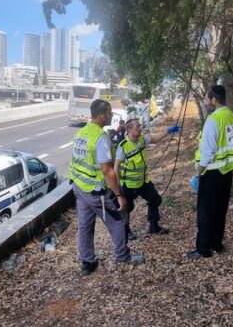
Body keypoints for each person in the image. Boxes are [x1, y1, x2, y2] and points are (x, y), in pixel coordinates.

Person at [69, 99, 145, 275]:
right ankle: (123, 256)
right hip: (97, 192)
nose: (112, 116)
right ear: (101, 114)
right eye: (110, 113)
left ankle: (87, 262)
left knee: (85, 226)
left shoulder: (82, 132)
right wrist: (119, 195)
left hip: (79, 188)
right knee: (119, 219)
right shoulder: (100, 138)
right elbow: (107, 170)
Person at [187, 85, 233, 259]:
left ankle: (203, 249)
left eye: (207, 99)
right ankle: (216, 243)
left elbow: (208, 150)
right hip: (227, 172)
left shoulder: (213, 119)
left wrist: (198, 173)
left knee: (206, 211)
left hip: (211, 172)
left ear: (214, 99)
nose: (206, 102)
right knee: (221, 209)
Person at [115, 119, 180, 240]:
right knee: (127, 208)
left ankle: (154, 227)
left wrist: (169, 130)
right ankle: (126, 232)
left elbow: (155, 139)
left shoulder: (141, 140)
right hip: (129, 185)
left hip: (143, 182)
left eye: (140, 125)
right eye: (137, 126)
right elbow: (116, 167)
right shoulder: (122, 146)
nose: (140, 128)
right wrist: (119, 186)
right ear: (129, 129)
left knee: (155, 200)